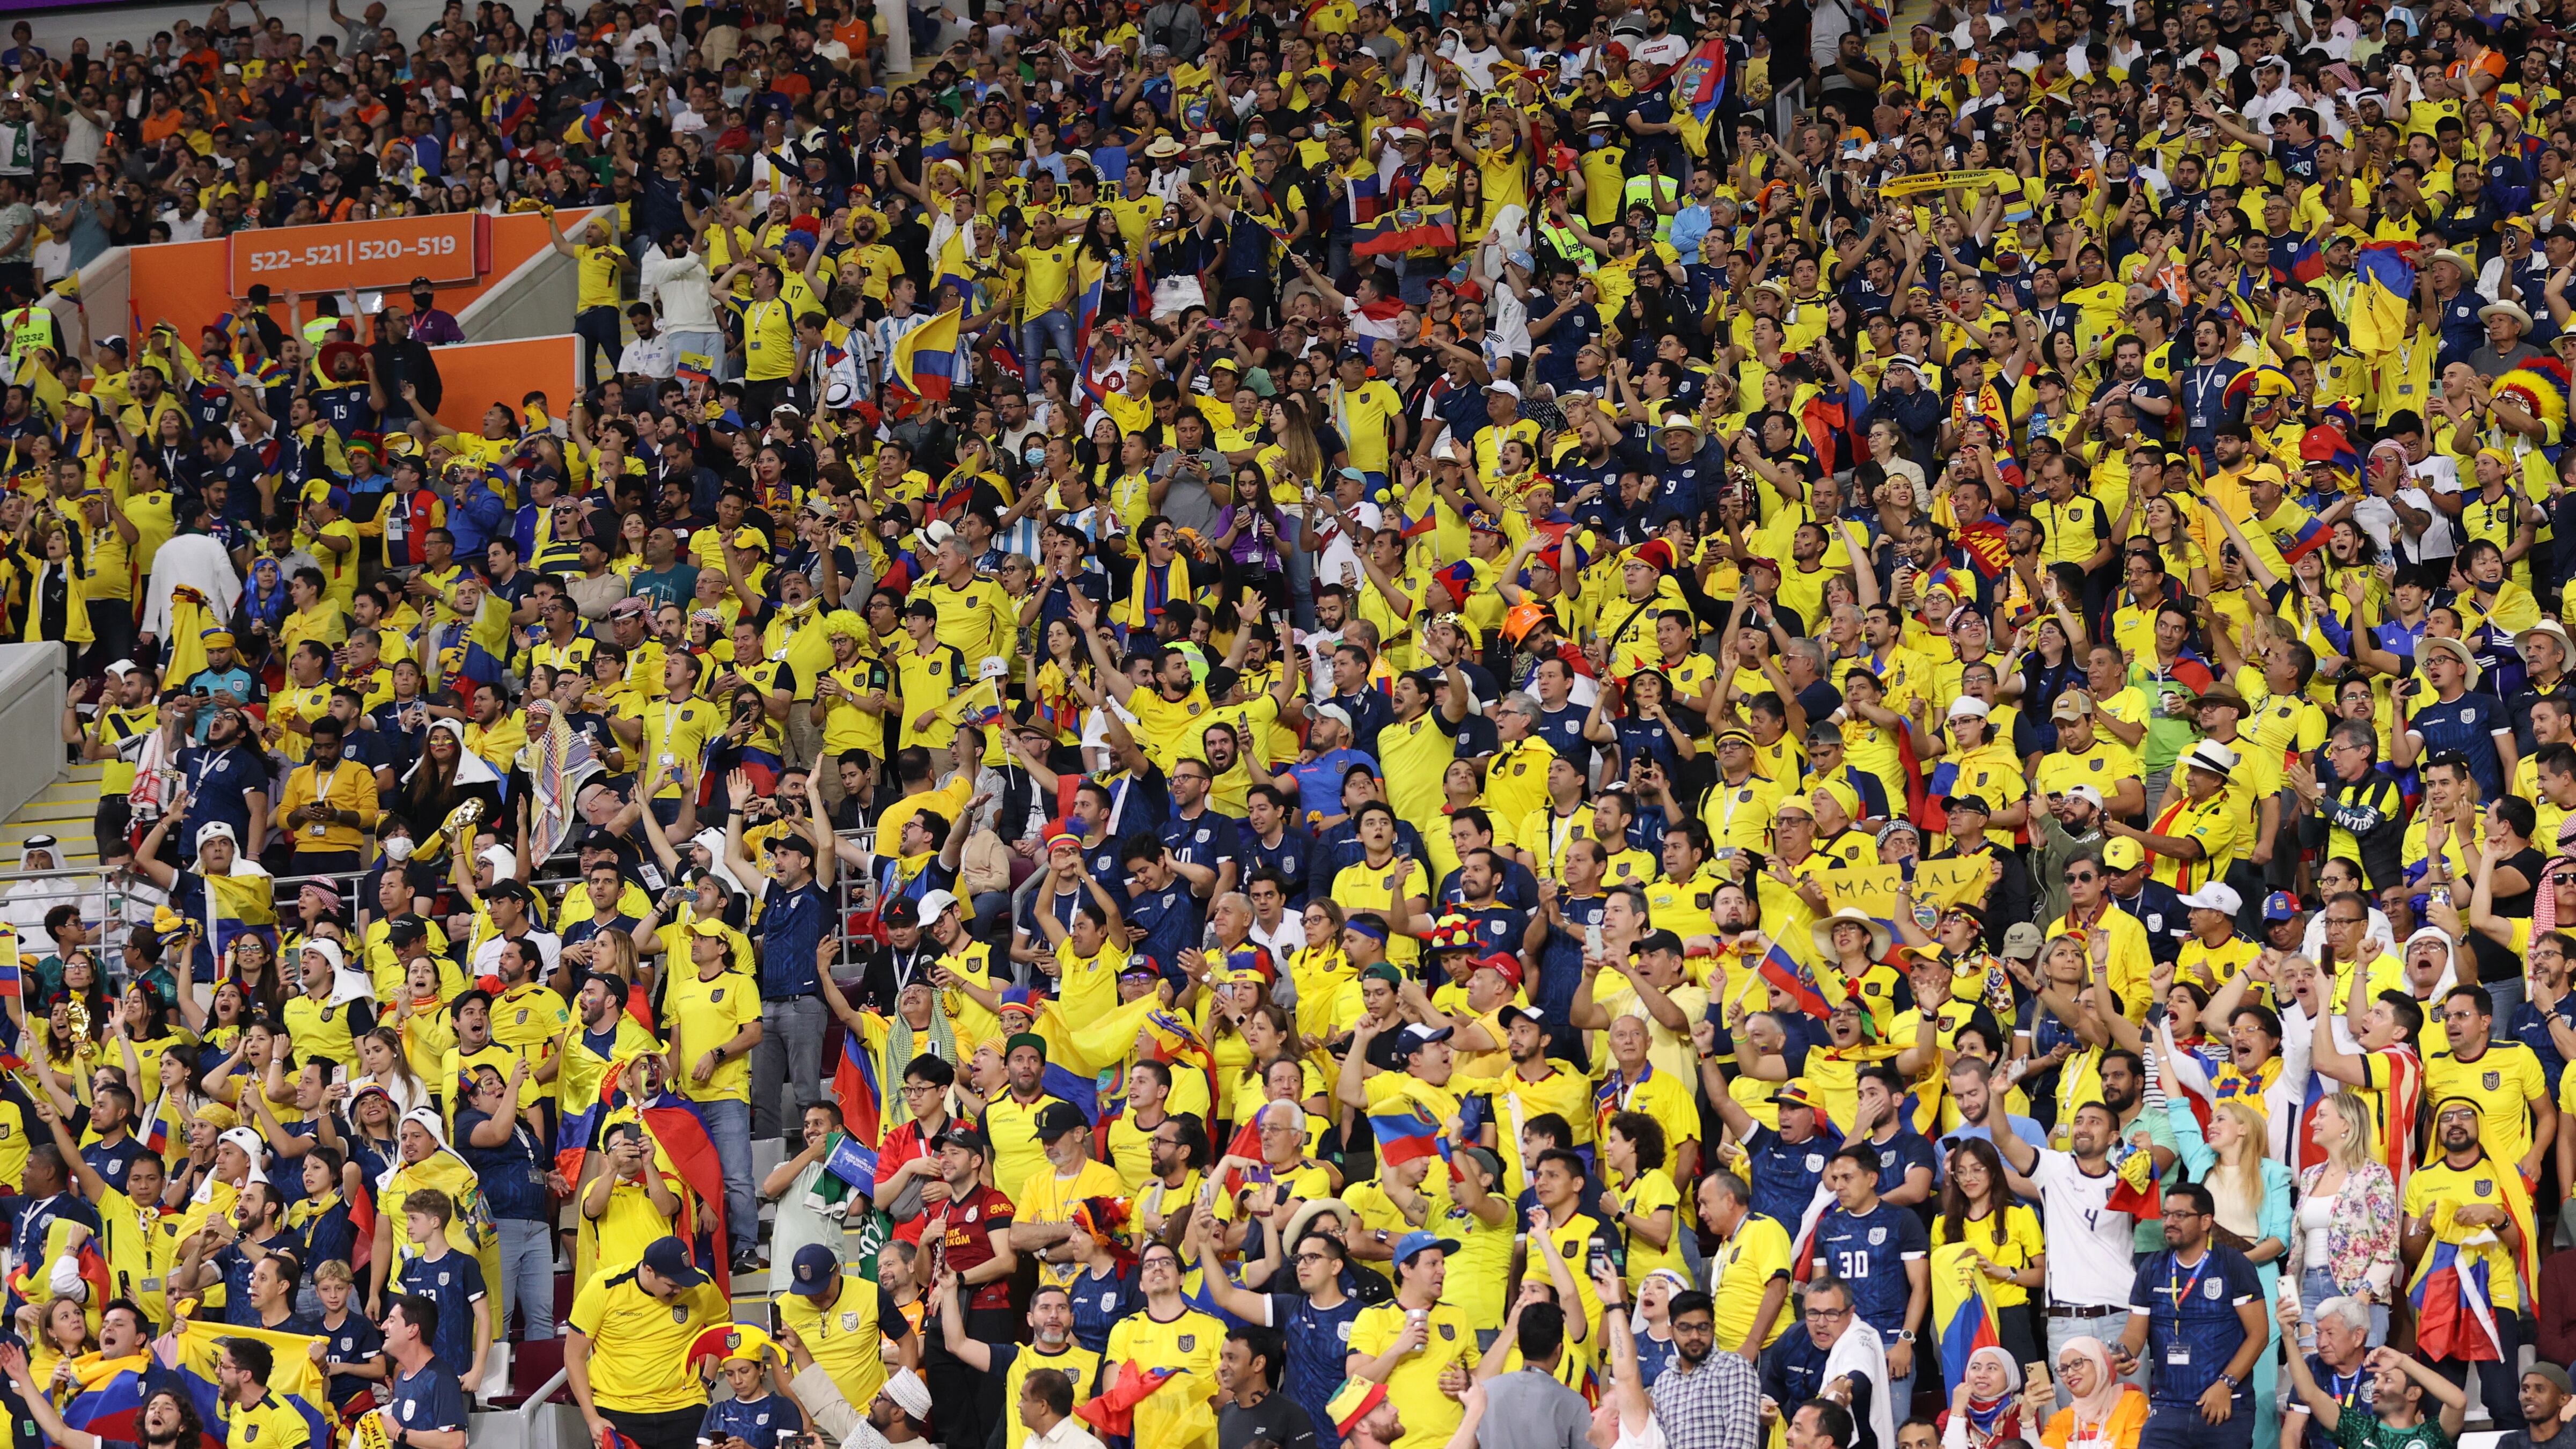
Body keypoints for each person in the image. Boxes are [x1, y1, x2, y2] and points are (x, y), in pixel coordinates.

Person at [2114, 1183, 2268, 1449]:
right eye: (2166, 1215)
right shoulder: (2152, 1267)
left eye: (2180, 1215)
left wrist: (2225, 1385)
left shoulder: (2233, 1264)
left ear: (2206, 1221)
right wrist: (2125, 1352)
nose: (2169, 1222)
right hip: (2168, 1406)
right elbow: (2135, 1332)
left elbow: (2259, 1334)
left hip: (2222, 1403)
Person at [566, 1236, 729, 1449]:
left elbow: (723, 1332)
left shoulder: (702, 1285)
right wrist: (592, 1419)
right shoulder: (604, 1287)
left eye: (683, 1283)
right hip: (618, 1413)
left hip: (685, 1410)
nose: (679, 1291)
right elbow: (573, 1356)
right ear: (649, 1270)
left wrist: (708, 1380)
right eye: (671, 1285)